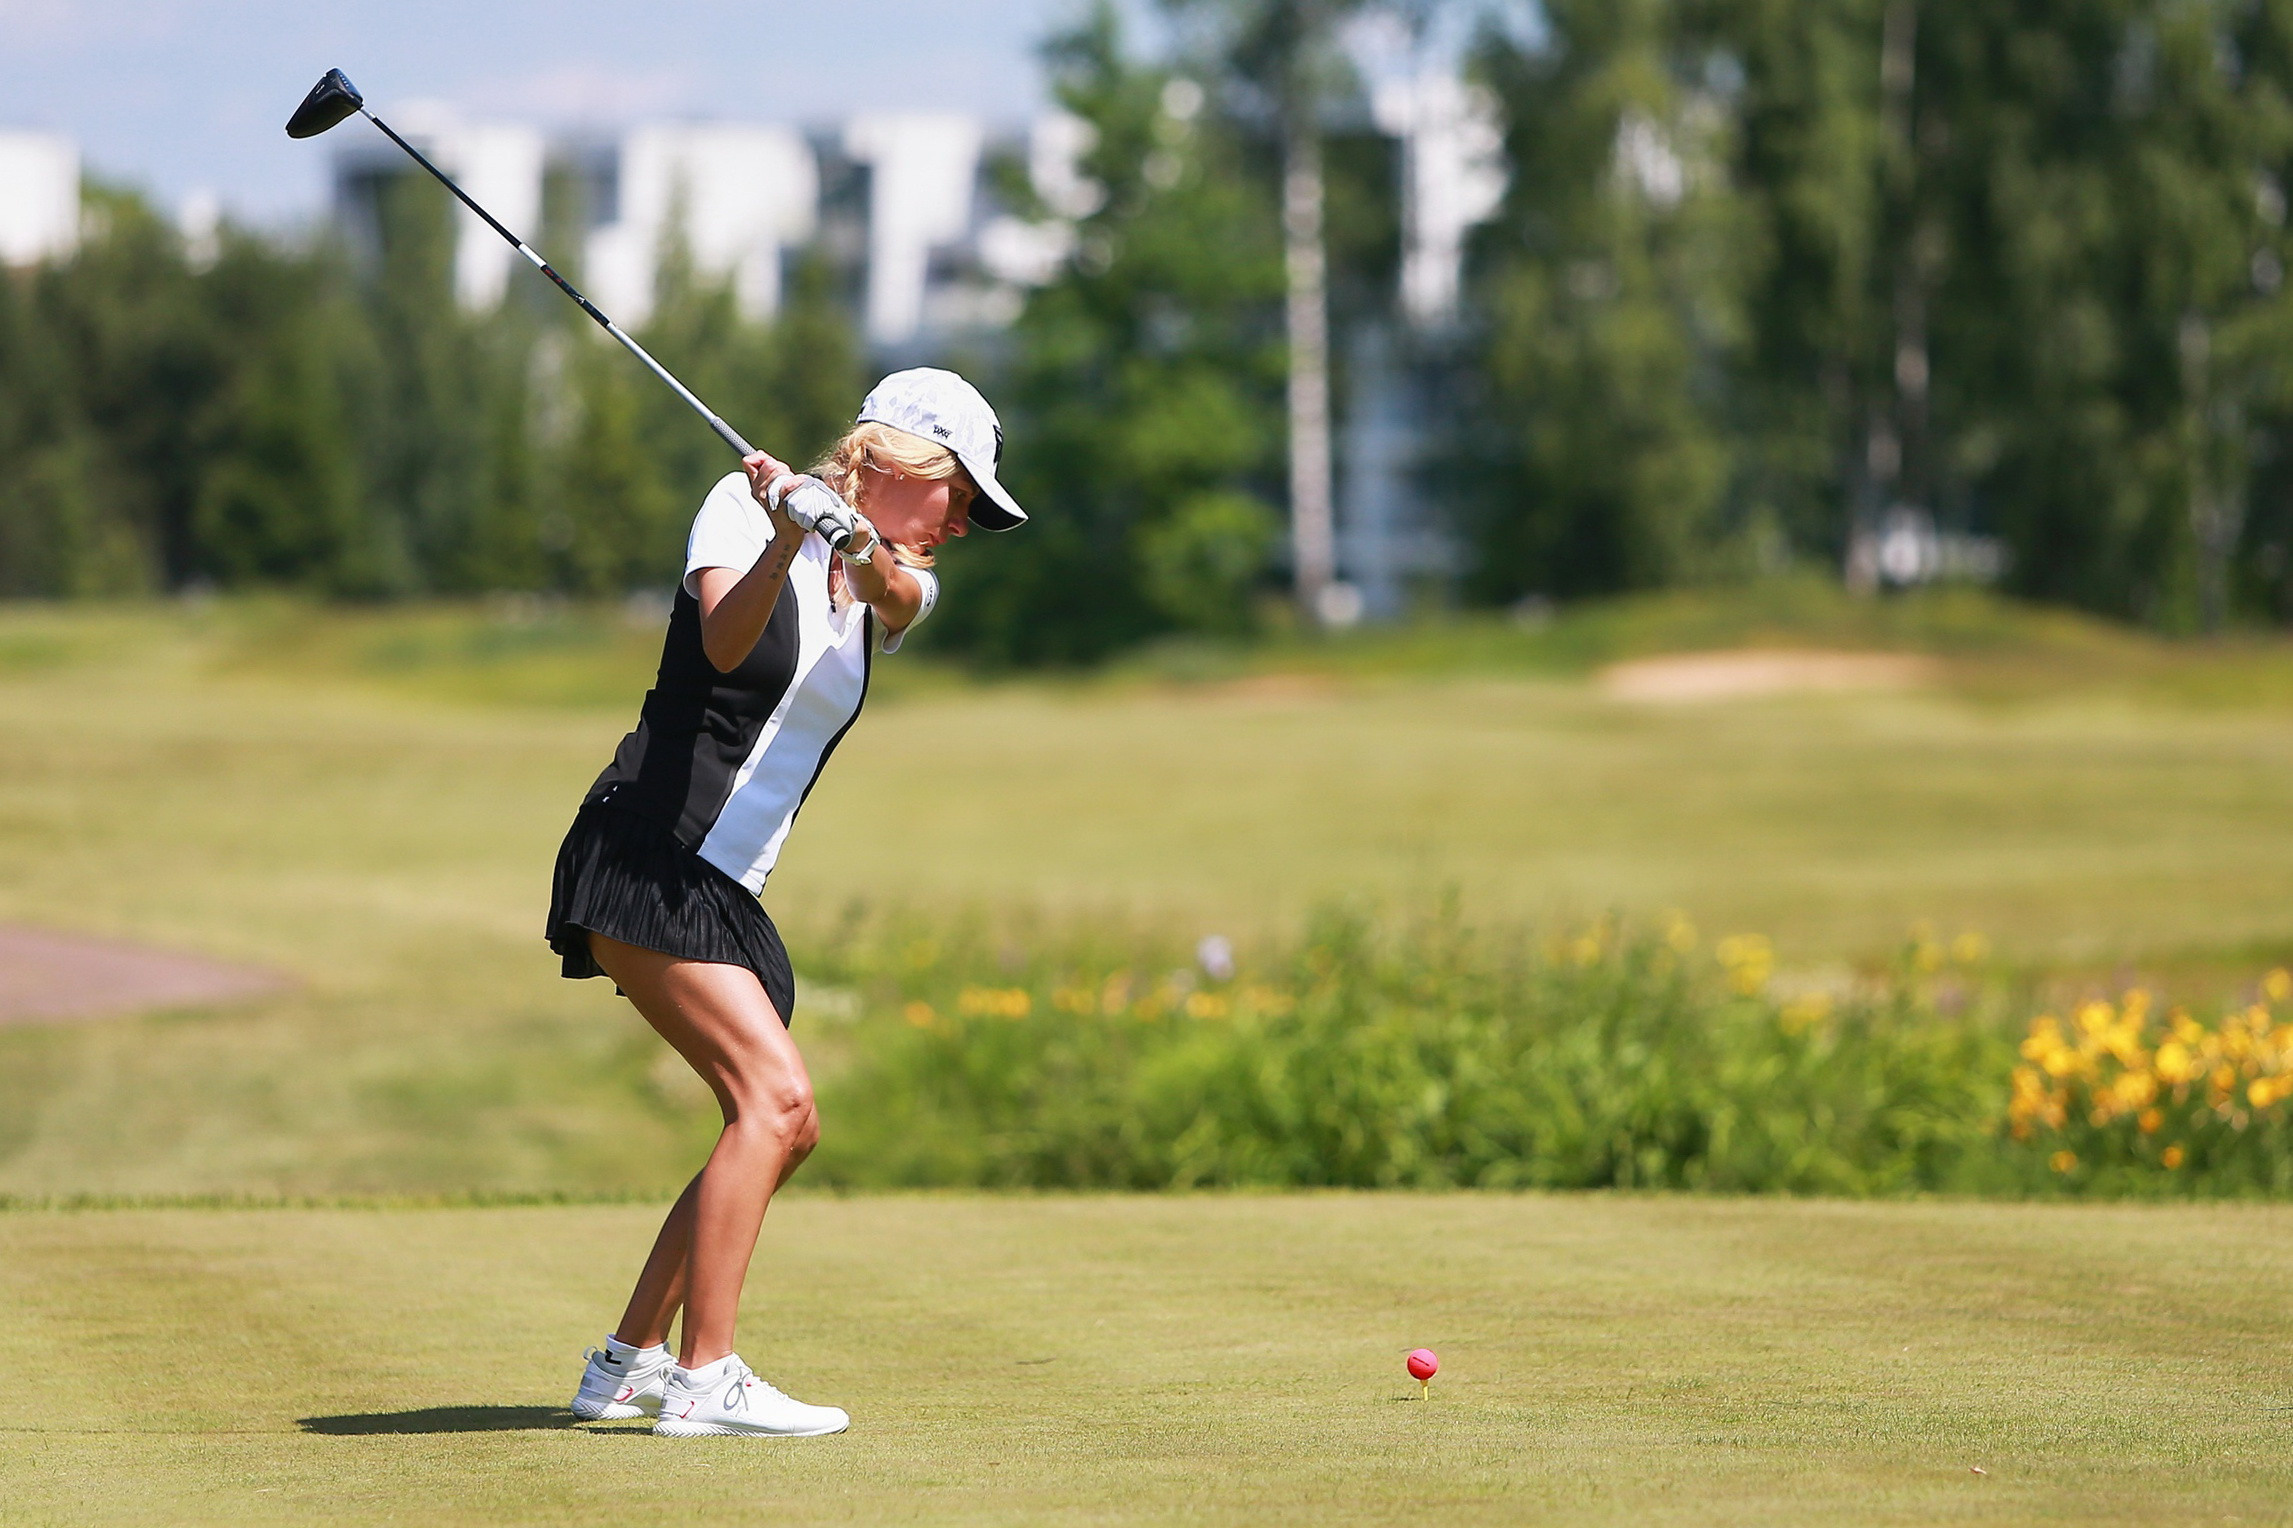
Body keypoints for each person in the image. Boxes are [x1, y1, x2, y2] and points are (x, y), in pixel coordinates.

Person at [546, 369, 1027, 1437]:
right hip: (650, 850)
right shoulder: (737, 503)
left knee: (772, 1122)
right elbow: (723, 644)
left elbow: (898, 598)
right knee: (776, 1101)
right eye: (959, 497)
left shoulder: (897, 575)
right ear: (908, 462)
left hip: (727, 885)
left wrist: (846, 539)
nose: (961, 523)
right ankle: (705, 1376)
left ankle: (625, 1365)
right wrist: (781, 533)